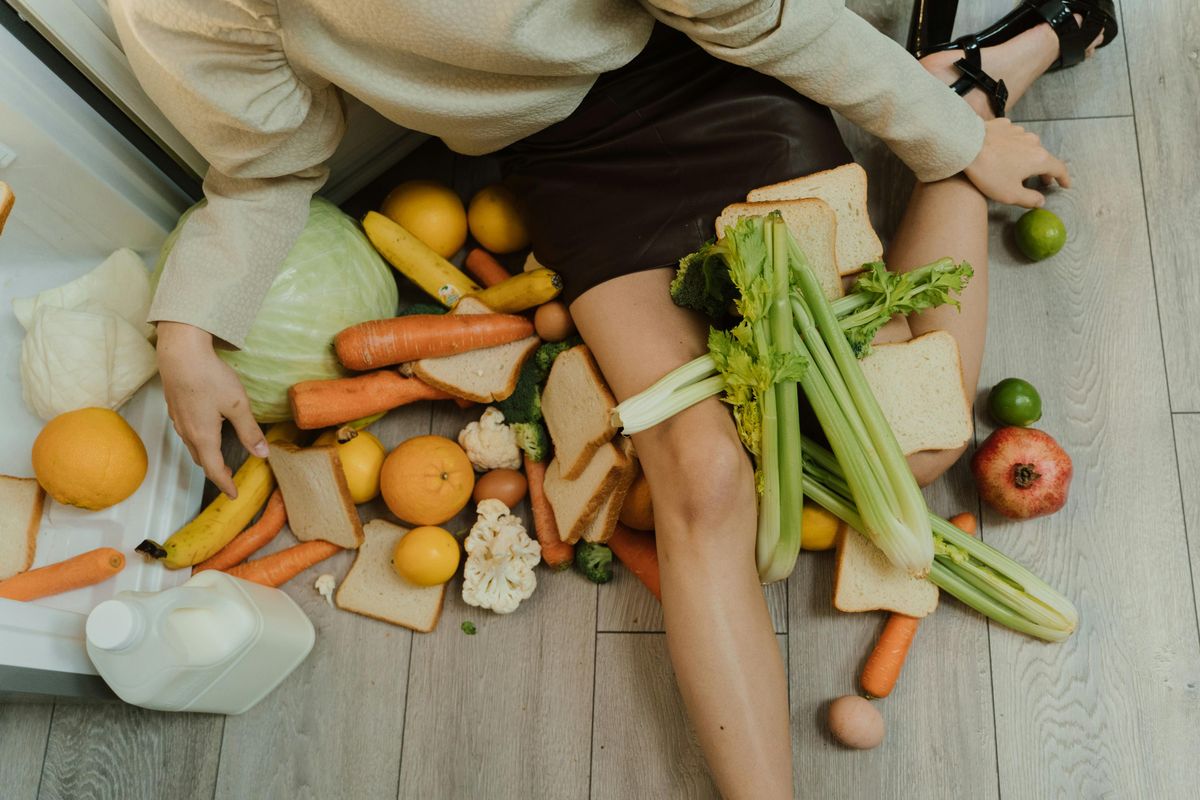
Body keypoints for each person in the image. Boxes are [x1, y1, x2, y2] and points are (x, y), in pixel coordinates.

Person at [110, 1, 1115, 796]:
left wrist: (942, 135)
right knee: (701, 475)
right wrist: (189, 327)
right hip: (570, 162)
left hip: (711, 66)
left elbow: (751, 17)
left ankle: (967, 95)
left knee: (922, 452)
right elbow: (264, 163)